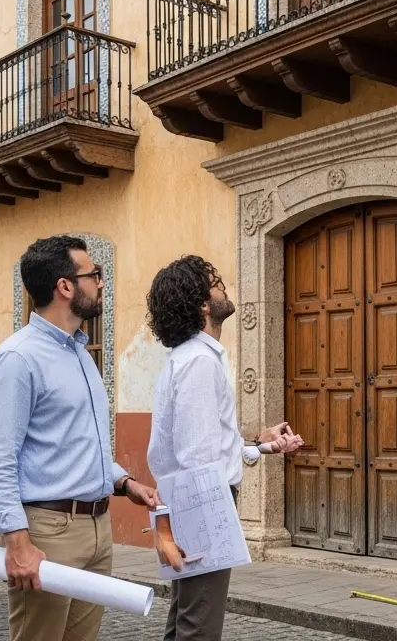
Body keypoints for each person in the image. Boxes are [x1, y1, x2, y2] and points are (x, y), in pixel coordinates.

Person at [0, 235, 162, 641]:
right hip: (47, 531)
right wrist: (19, 543)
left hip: (96, 527)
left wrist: (124, 482)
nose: (100, 283)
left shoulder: (80, 353)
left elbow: (78, 443)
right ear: (65, 286)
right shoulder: (18, 359)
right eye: (93, 274)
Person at [144, 255, 304, 641]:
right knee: (199, 624)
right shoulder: (200, 361)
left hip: (189, 499)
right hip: (202, 500)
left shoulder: (188, 358)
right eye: (215, 283)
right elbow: (197, 457)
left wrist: (259, 445)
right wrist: (209, 527)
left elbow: (205, 445)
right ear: (201, 303)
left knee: (185, 617)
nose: (223, 288)